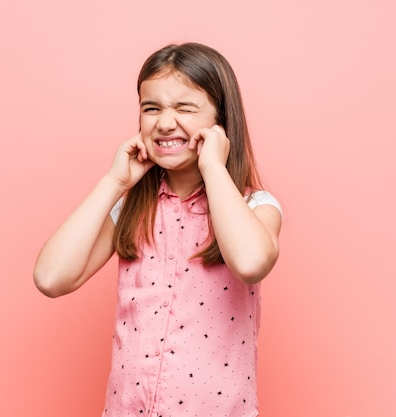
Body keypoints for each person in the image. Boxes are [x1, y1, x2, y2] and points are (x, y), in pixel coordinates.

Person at [34, 42, 282, 417]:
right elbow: (51, 278)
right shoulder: (132, 208)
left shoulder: (255, 207)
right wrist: (114, 183)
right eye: (152, 108)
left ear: (220, 121)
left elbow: (250, 263)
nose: (165, 123)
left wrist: (214, 167)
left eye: (185, 108)